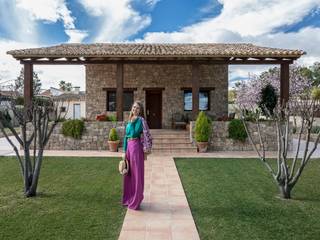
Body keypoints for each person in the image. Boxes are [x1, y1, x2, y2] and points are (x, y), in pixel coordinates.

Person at [121, 100, 152, 210]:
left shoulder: (140, 120)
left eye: (137, 108)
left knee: (137, 174)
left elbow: (138, 133)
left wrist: (134, 122)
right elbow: (126, 136)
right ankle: (129, 197)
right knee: (128, 173)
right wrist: (124, 152)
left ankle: (136, 199)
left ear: (141, 110)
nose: (135, 109)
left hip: (136, 147)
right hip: (129, 147)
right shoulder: (129, 120)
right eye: (134, 107)